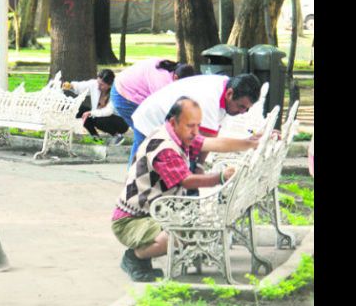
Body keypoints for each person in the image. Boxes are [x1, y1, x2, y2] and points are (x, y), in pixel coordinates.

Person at [112, 97, 261, 282]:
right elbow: (187, 181)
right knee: (180, 236)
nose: (195, 132)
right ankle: (134, 258)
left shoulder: (177, 134)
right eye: (191, 126)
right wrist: (221, 177)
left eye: (198, 125)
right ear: (174, 122)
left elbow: (213, 143)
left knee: (188, 231)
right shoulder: (164, 146)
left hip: (152, 212)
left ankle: (143, 257)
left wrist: (250, 143)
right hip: (131, 220)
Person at [128, 73, 262, 166]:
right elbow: (208, 142)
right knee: (141, 172)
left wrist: (198, 166)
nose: (242, 112)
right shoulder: (210, 98)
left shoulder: (226, 87)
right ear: (230, 93)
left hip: (168, 121)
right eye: (241, 106)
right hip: (151, 120)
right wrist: (198, 166)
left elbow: (211, 137)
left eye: (247, 109)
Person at [110, 58, 196, 167]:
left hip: (136, 92)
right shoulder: (162, 82)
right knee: (144, 133)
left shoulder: (172, 70)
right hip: (124, 96)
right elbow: (163, 110)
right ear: (176, 77)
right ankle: (133, 176)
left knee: (153, 134)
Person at [62, 69, 128, 145]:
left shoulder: (116, 92)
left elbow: (108, 111)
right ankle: (96, 138)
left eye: (102, 84)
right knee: (81, 111)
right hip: (100, 116)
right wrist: (71, 86)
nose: (98, 86)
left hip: (120, 121)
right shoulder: (95, 85)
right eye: (98, 83)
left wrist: (90, 112)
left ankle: (117, 135)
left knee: (96, 118)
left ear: (109, 85)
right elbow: (81, 86)